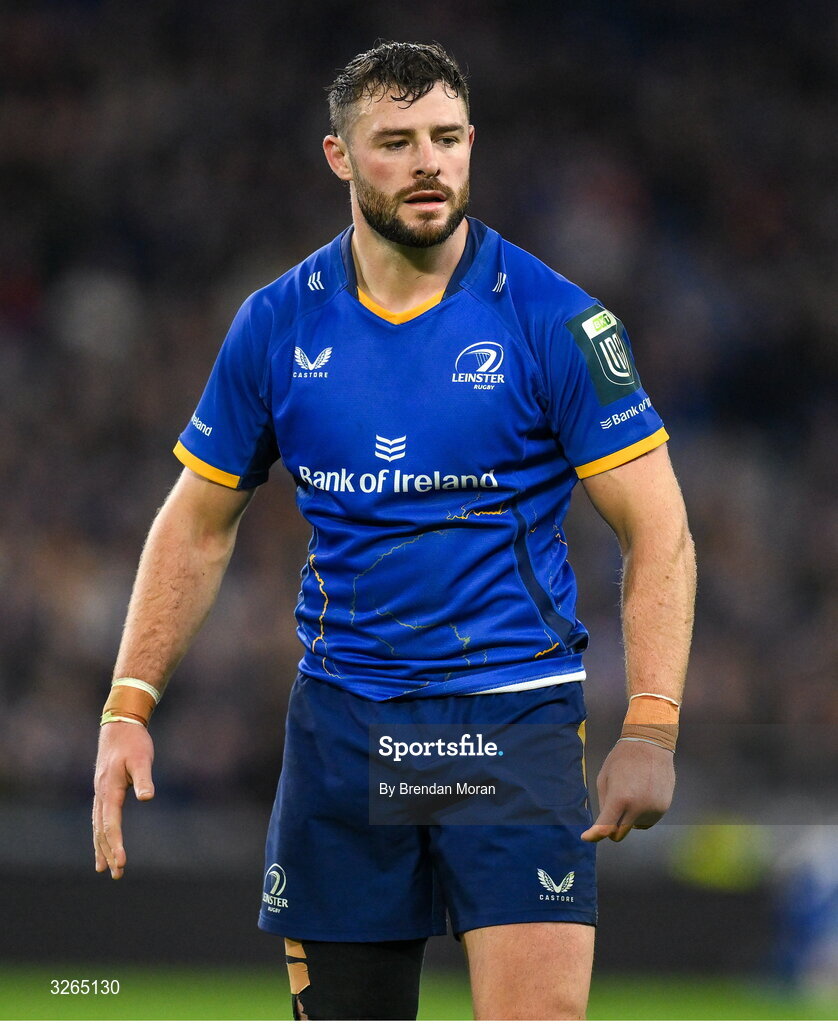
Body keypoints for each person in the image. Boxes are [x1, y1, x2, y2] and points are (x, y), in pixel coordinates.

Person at [93, 41, 696, 1021]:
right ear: (338, 154)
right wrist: (127, 707)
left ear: (472, 144)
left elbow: (659, 530)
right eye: (397, 141)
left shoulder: (557, 322)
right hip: (344, 726)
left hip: (508, 722)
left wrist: (651, 728)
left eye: (447, 139)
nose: (429, 163)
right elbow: (196, 525)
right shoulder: (276, 324)